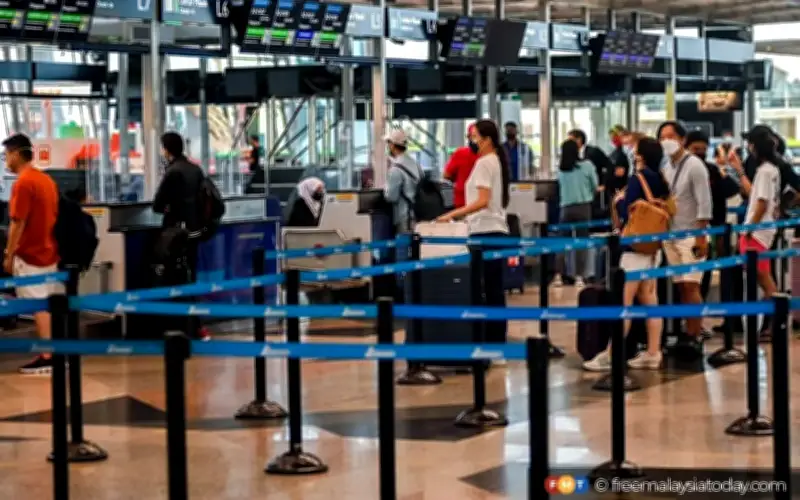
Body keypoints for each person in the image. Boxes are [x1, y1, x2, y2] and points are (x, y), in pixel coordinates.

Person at [584, 137, 671, 372]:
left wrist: (620, 200)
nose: (633, 152)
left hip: (633, 249)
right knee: (650, 301)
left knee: (624, 303)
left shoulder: (637, 180)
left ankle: (611, 354)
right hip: (653, 247)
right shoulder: (660, 179)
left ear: (641, 155)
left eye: (636, 149)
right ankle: (654, 352)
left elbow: (626, 212)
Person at [436, 120, 510, 345]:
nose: (472, 141)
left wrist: (453, 214)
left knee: (485, 291)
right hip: (496, 231)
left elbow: (483, 201)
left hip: (484, 232)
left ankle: (490, 342)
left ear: (487, 139)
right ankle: (496, 341)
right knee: (494, 291)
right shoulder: (496, 161)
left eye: (475, 136)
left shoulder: (484, 163)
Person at [2, 133, 61, 374]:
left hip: (31, 255)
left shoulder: (23, 182)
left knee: (39, 307)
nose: (5, 160)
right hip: (48, 251)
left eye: (6, 155)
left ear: (16, 153)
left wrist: (9, 253)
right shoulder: (46, 181)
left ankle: (48, 357)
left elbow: (18, 222)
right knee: (47, 305)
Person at [657, 121, 712, 356]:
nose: (665, 141)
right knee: (680, 286)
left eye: (670, 136)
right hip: (671, 234)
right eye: (662, 137)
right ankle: (685, 332)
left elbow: (704, 202)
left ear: (681, 139)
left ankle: (695, 334)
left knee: (692, 285)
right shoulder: (667, 166)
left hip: (691, 234)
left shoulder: (695, 166)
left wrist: (701, 236)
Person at [152, 132, 210, 341]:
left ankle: (176, 327)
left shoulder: (172, 172)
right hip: (194, 232)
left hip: (174, 235)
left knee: (171, 280)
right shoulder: (196, 170)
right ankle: (196, 327)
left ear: (166, 149)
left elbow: (157, 205)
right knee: (190, 277)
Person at [684, 131, 740, 306]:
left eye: (703, 149)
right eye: (695, 149)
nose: (700, 152)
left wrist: (722, 174)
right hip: (689, 229)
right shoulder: (682, 171)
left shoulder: (713, 170)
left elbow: (732, 189)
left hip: (714, 228)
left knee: (707, 273)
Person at [736, 132, 782, 341]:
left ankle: (773, 322)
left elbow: (761, 203)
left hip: (757, 233)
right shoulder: (773, 170)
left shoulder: (764, 172)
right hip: (766, 230)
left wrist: (748, 229)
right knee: (764, 277)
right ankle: (772, 322)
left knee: (764, 278)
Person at [552, 140, 598, 289]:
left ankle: (558, 276)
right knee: (581, 243)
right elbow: (595, 186)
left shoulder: (561, 170)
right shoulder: (587, 166)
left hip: (565, 208)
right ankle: (579, 277)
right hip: (583, 207)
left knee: (561, 243)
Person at [383, 129, 423, 235]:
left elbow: (391, 197)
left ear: (392, 145)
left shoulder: (395, 169)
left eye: (388, 143)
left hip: (404, 217)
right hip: (419, 215)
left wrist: (386, 188)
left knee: (403, 249)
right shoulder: (416, 164)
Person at [443, 123, 479, 208]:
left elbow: (446, 175)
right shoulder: (489, 155)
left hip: (463, 202)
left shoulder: (460, 153)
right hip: (479, 202)